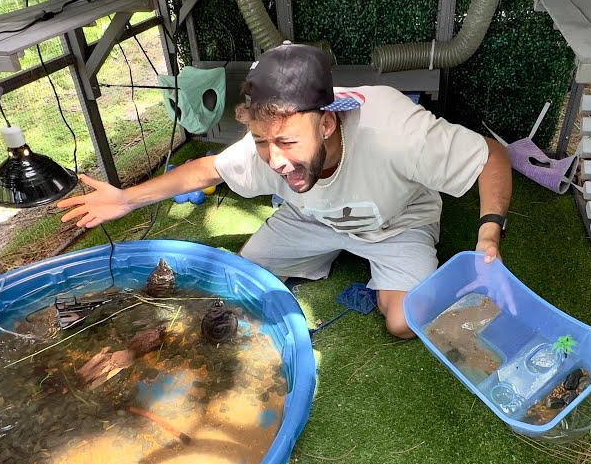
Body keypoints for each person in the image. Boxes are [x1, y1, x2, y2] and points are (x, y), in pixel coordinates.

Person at [57, 42, 512, 339]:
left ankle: (384, 281)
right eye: (261, 142)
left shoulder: (396, 129)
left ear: (328, 122)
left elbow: (490, 156)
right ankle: (339, 261)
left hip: (397, 222)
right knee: (238, 283)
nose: (274, 159)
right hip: (309, 219)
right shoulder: (267, 147)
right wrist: (125, 197)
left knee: (402, 323)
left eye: (288, 142)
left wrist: (489, 231)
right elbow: (204, 170)